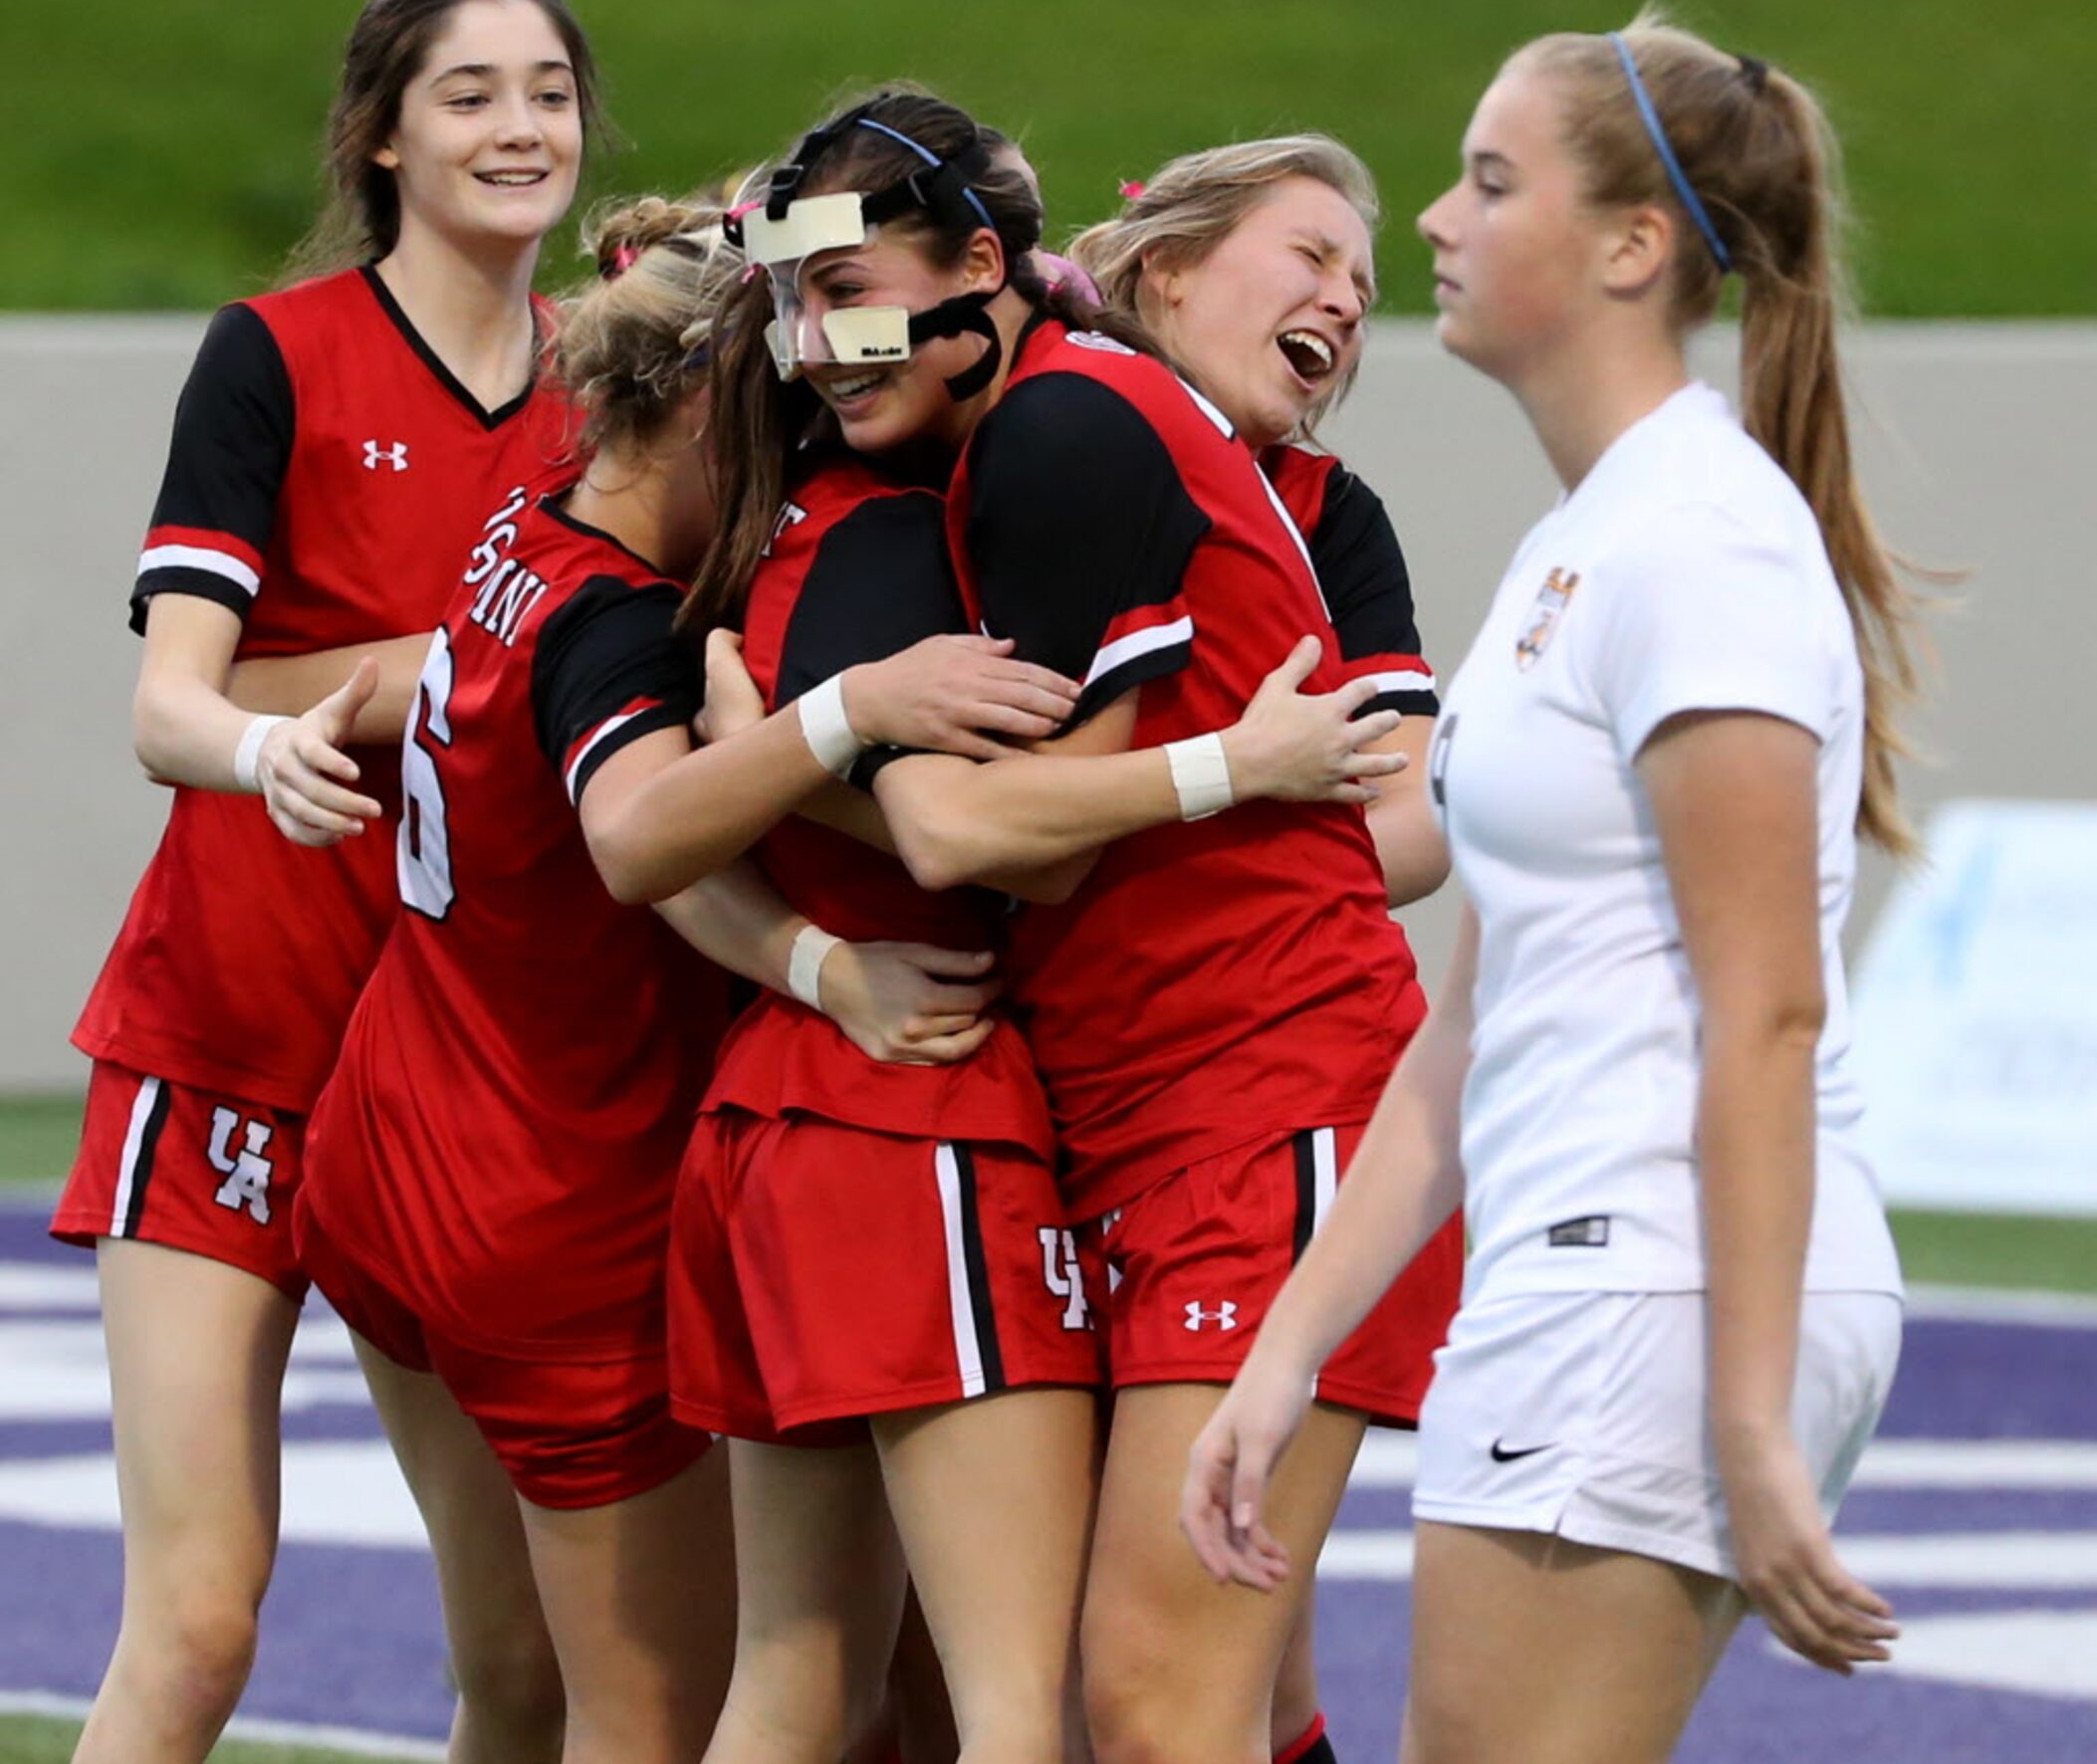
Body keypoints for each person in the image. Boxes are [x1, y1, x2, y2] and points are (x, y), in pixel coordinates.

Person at [1184, 11, 1921, 1764]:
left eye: (1488, 178)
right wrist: (1286, 1349)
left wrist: (1741, 1410)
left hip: (1650, 1286)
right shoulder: (1591, 537)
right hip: (1607, 1278)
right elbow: (1471, 1012)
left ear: (1629, 247)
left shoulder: (1696, 542)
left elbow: (1766, 1005)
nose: (1433, 219)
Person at [696, 87, 1451, 1764]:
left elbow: (983, 842)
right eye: (792, 304)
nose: (818, 344)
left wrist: (1217, 767)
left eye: (849, 292)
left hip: (1261, 1094)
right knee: (1160, 1698)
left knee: (1155, 1701)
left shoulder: (1060, 429)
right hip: (1148, 1105)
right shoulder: (993, 440)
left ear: (984, 261)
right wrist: (793, 759)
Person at [290, 193, 1059, 1764]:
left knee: (513, 1685)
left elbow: (643, 853)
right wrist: (839, 710)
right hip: (542, 1202)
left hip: (392, 1137)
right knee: (654, 1719)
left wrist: (811, 957)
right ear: (710, 407)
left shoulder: (546, 502)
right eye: (790, 415)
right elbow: (638, 833)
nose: (818, 456)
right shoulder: (623, 618)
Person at [51, 0, 600, 1764]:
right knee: (200, 1623)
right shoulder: (275, 353)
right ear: (379, 136)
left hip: (449, 1093)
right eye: (470, 92)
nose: (519, 124)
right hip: (234, 1045)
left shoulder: (614, 402)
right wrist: (294, 732)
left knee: (524, 1660)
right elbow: (167, 706)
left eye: (546, 88)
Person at [1066, 132, 1467, 1764]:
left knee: (1157, 1698)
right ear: (1164, 272)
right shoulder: (1028, 453)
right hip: (1089, 1111)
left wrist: (1200, 810)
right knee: (1221, 1687)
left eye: (1362, 287)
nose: (1345, 302)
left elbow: (1418, 824)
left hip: (1273, 1100)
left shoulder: (1320, 510)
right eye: (1306, 257)